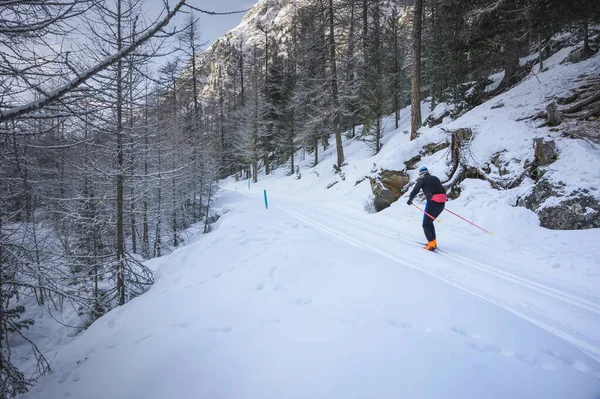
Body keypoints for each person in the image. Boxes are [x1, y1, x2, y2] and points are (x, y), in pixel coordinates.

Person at [406, 166, 447, 251]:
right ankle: (433, 242)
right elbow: (443, 190)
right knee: (429, 222)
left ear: (421, 174)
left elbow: (415, 190)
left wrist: (410, 200)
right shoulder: (435, 178)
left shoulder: (422, 180)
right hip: (442, 204)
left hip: (432, 203)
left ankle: (431, 244)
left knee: (425, 224)